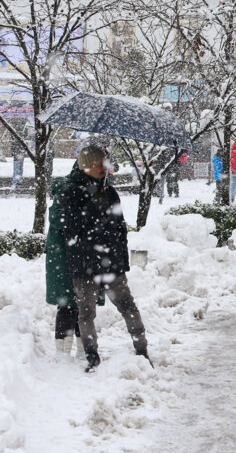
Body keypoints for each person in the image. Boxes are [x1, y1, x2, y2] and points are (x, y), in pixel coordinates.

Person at [58, 145, 151, 372]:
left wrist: (120, 258)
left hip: (111, 263)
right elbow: (70, 231)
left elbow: (119, 229)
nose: (105, 167)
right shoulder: (71, 193)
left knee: (127, 305)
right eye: (100, 163)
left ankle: (142, 350)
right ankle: (92, 356)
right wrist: (93, 212)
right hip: (85, 264)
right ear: (88, 165)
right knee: (86, 312)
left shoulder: (109, 191)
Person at [46, 161, 105, 359]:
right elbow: (58, 221)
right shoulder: (67, 189)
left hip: (85, 257)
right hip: (66, 257)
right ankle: (63, 353)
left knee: (84, 305)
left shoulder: (98, 191)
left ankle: (82, 349)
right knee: (69, 304)